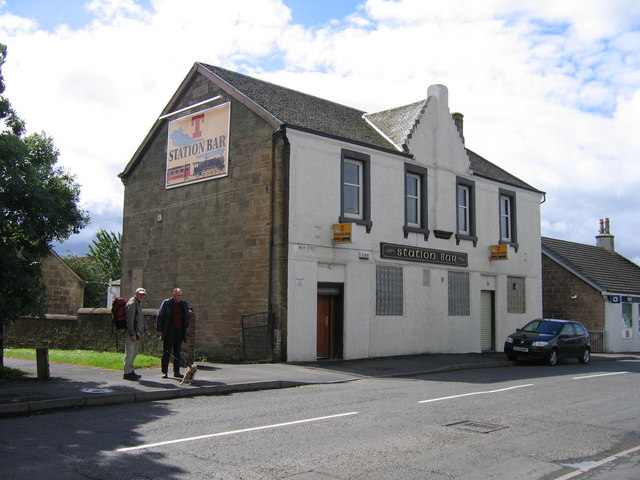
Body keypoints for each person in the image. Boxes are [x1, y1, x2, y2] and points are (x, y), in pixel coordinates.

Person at [156, 288, 191, 378]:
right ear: (173, 295)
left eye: (181, 295)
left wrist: (186, 327)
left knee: (177, 352)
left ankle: (177, 371)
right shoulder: (167, 303)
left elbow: (187, 316)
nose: (180, 297)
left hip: (179, 331)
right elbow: (160, 316)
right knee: (166, 352)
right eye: (178, 295)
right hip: (169, 330)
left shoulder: (184, 304)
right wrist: (159, 330)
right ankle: (164, 372)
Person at [123, 287, 150, 381]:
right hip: (132, 333)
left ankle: (130, 370)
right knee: (130, 353)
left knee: (134, 353)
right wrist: (132, 333)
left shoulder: (138, 304)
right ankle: (127, 373)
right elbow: (130, 321)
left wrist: (146, 329)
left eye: (143, 294)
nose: (142, 296)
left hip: (137, 332)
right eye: (141, 294)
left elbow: (141, 318)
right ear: (136, 293)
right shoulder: (132, 303)